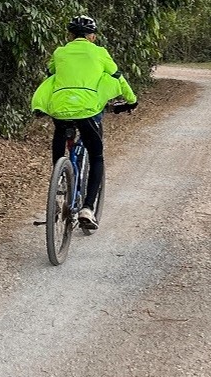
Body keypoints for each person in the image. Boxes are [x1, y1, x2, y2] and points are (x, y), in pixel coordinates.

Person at [31, 14, 137, 230]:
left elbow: (51, 72)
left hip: (60, 108)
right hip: (88, 110)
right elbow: (118, 77)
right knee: (97, 156)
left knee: (60, 143)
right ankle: (87, 208)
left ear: (70, 36)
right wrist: (131, 101)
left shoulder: (60, 52)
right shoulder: (99, 52)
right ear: (93, 37)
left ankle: (59, 185)